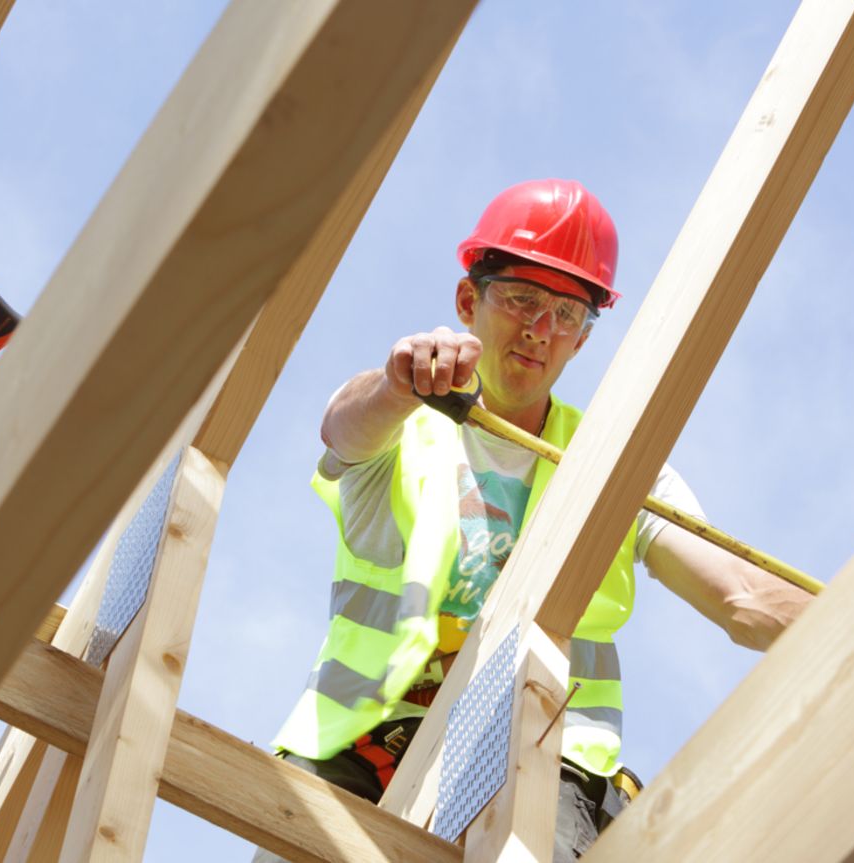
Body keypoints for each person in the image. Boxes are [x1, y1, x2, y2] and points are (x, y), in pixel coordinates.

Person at [255, 179, 811, 861]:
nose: (541, 329)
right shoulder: (408, 423)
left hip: (543, 749)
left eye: (568, 313)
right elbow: (345, 424)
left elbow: (744, 596)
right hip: (368, 741)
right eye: (522, 298)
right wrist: (398, 382)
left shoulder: (617, 464)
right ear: (469, 301)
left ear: (582, 339)